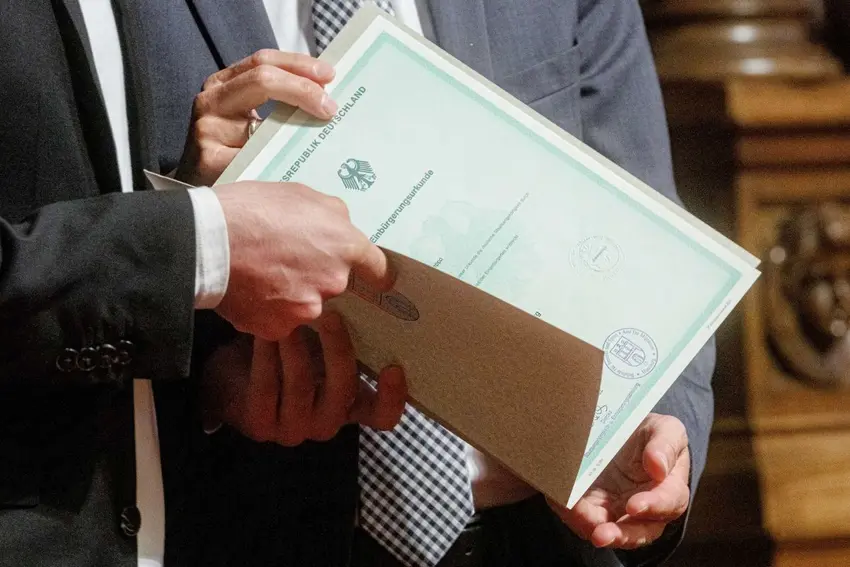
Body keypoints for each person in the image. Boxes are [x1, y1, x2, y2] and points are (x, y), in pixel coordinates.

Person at [0, 1, 715, 567]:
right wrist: (211, 357)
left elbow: (658, 237)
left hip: (546, 538)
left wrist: (658, 429)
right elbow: (108, 237)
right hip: (254, 529)